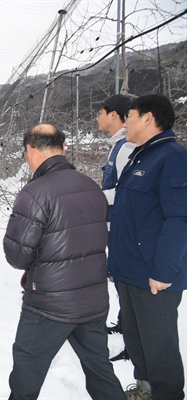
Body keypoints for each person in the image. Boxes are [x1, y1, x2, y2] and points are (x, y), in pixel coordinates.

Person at [3, 124, 124, 400]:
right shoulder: (91, 186)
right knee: (100, 372)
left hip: (49, 306)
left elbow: (17, 255)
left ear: (30, 150)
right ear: (64, 149)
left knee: (26, 376)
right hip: (92, 301)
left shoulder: (34, 193)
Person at [107, 94, 187, 400]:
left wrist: (164, 271)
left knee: (160, 349)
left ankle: (166, 395)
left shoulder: (173, 157)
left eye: (129, 116)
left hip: (154, 276)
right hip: (130, 270)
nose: (124, 122)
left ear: (148, 118)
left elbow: (180, 219)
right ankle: (144, 391)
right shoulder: (141, 156)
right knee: (137, 341)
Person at [95, 93, 134, 361]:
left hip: (123, 224)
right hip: (115, 221)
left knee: (126, 280)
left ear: (113, 115)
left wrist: (95, 197)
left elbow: (126, 191)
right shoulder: (117, 145)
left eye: (100, 112)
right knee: (120, 279)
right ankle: (124, 323)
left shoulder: (126, 147)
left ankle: (134, 344)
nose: (97, 117)